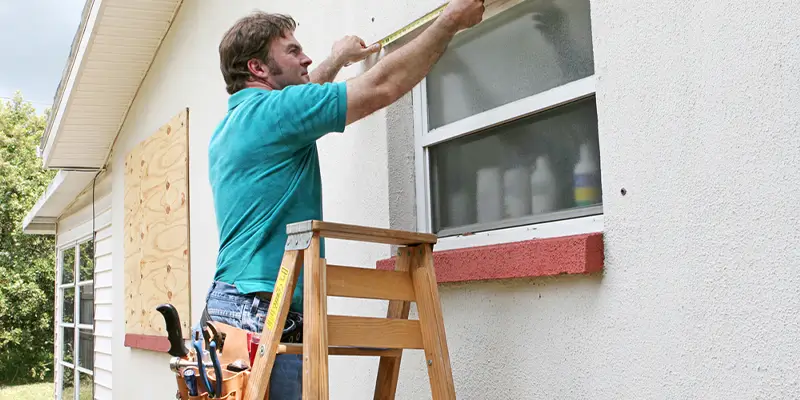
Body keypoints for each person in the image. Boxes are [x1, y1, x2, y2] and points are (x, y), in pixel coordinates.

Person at [203, 0, 485, 397]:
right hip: (262, 309)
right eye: (293, 51)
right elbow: (380, 86)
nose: (306, 58)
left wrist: (337, 60)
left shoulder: (232, 124)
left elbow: (303, 99)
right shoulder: (276, 113)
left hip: (226, 309)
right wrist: (449, 22)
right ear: (258, 68)